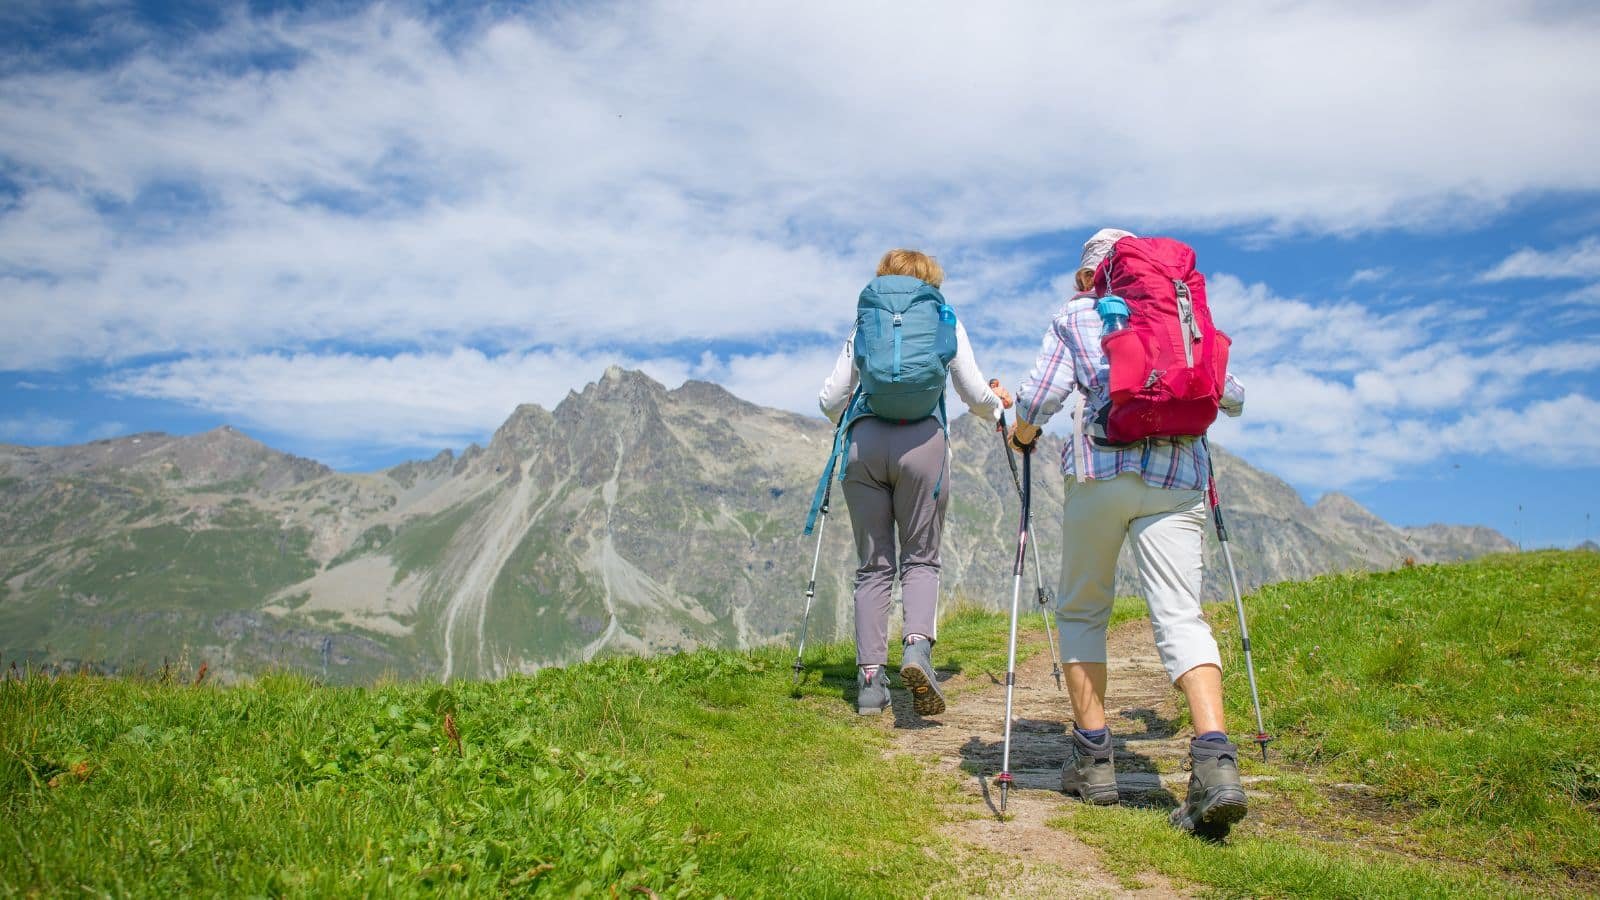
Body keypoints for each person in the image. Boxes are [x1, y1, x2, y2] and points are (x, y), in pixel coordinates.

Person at [1010, 228, 1250, 834]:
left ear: (1090, 275)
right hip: (1177, 477)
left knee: (1084, 611)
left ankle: (1093, 759)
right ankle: (1216, 762)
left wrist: (1023, 433)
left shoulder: (1077, 315)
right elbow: (1233, 394)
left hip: (1101, 471)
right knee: (1181, 616)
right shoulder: (1181, 310)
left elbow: (1040, 398)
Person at [818, 249, 1009, 717]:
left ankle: (868, 683)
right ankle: (917, 650)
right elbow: (972, 391)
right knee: (921, 557)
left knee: (873, 565)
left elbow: (830, 398)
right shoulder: (943, 315)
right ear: (930, 279)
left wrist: (857, 418)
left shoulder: (866, 320)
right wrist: (999, 408)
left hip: (864, 444)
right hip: (924, 444)